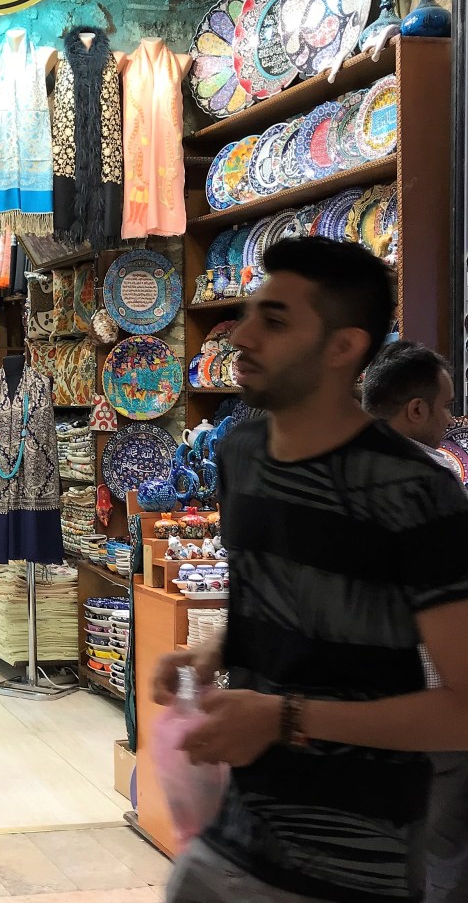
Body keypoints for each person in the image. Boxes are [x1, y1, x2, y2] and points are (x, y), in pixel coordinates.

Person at [154, 237, 468, 903]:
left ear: (342, 347)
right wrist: (208, 652)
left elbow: (462, 710)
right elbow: (275, 597)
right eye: (250, 313)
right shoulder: (241, 450)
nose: (239, 335)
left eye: (274, 320)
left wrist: (287, 717)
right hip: (244, 819)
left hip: (355, 850)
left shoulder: (413, 488)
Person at [363, 339, 467, 903]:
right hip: (432, 691)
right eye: (447, 406)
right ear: (416, 409)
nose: (452, 419)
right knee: (443, 847)